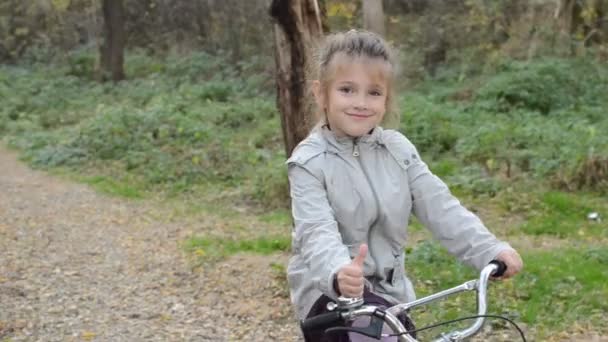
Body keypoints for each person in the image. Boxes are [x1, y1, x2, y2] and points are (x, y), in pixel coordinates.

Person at [286, 30, 523, 342]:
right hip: (329, 293)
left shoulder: (398, 151)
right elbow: (316, 233)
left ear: (387, 99)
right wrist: (338, 272)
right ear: (321, 94)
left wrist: (490, 249)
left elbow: (442, 207)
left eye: (373, 92)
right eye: (347, 90)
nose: (360, 103)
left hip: (390, 294)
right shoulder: (309, 161)